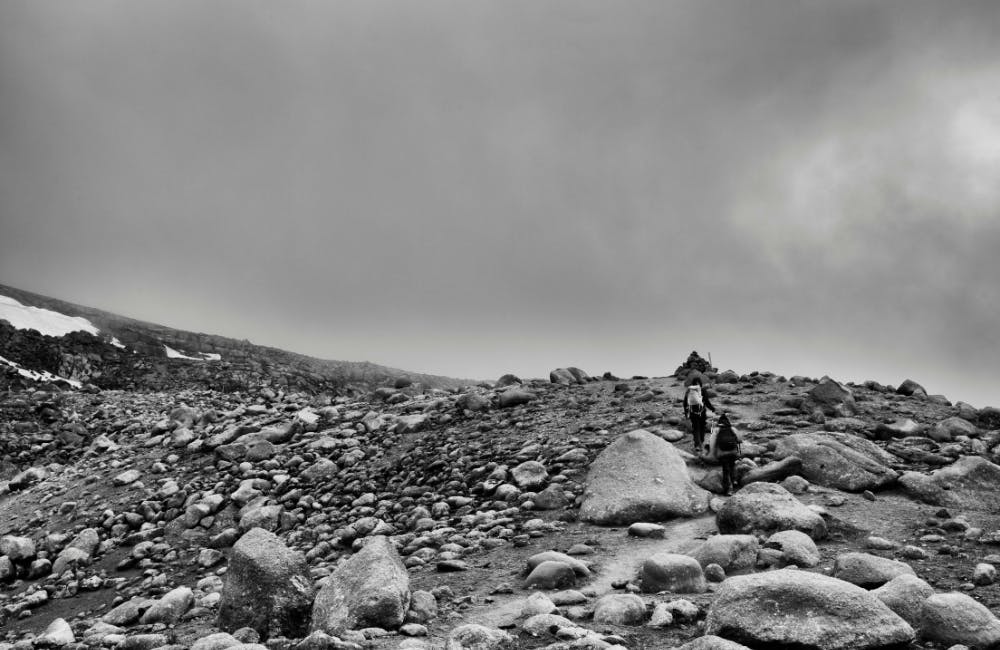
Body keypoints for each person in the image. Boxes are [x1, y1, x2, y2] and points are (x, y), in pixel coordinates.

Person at [683, 376, 715, 453]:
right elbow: (706, 402)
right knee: (702, 427)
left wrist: (686, 413)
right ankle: (701, 441)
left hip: (693, 413)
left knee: (696, 428)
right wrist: (712, 408)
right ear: (700, 383)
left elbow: (685, 403)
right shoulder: (703, 390)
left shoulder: (689, 391)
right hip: (702, 412)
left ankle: (697, 445)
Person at [715, 413, 742, 495]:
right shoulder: (732, 429)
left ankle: (729, 489)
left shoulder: (716, 430)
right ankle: (734, 481)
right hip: (733, 452)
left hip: (722, 454)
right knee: (732, 465)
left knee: (726, 470)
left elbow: (712, 444)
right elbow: (740, 440)